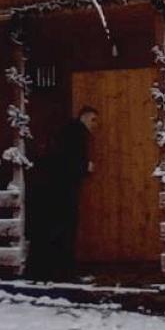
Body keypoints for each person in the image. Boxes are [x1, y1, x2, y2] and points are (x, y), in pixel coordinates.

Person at [40, 105, 96, 279]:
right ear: (83, 117)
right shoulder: (77, 134)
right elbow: (68, 160)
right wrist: (85, 167)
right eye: (93, 119)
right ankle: (63, 269)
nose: (95, 124)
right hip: (65, 188)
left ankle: (55, 268)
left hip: (58, 187)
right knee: (65, 227)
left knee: (60, 226)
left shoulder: (69, 132)